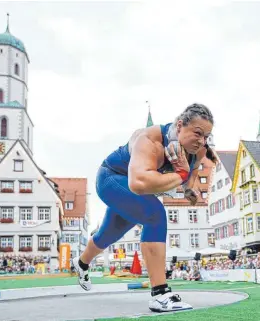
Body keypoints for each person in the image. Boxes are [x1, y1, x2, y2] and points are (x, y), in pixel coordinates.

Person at [72, 103, 216, 312]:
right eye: (197, 133)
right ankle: (160, 294)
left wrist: (189, 189)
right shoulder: (149, 140)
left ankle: (82, 262)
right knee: (155, 215)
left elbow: (191, 175)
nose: (202, 141)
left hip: (136, 189)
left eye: (206, 136)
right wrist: (180, 176)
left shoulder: (200, 149)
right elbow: (138, 183)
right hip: (111, 178)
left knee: (108, 235)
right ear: (179, 125)